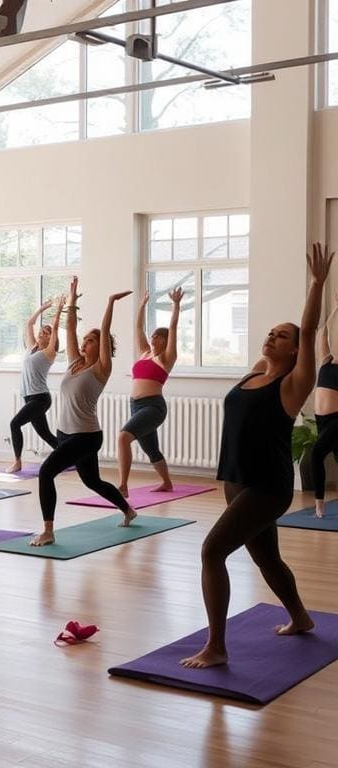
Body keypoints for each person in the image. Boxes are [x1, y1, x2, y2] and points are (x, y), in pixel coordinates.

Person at [180, 243, 332, 669]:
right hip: (235, 479)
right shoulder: (254, 371)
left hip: (268, 485)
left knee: (211, 552)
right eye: (270, 331)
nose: (271, 337)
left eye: (281, 336)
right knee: (266, 557)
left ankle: (217, 647)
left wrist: (316, 285)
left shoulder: (292, 384)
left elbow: (308, 327)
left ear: (295, 351)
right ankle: (300, 618)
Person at [31, 279, 137, 547]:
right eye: (86, 340)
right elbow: (70, 327)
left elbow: (104, 328)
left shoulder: (101, 369)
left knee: (45, 473)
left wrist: (110, 303)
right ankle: (128, 510)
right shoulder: (75, 362)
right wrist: (71, 301)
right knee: (92, 482)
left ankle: (48, 530)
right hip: (65, 434)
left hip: (86, 436)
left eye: (90, 341)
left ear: (100, 347)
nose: (85, 342)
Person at [117, 287, 183, 496]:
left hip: (153, 406)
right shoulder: (145, 353)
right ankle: (167, 483)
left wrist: (176, 306)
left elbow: (173, 327)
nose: (154, 338)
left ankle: (123, 485)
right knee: (151, 450)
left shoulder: (166, 358)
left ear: (165, 341)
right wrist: (142, 306)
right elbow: (137, 330)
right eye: (153, 335)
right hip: (135, 406)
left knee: (123, 437)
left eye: (158, 337)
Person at [6, 299, 61, 474]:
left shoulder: (49, 353)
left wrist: (58, 313)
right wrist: (43, 308)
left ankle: (17, 462)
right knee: (45, 434)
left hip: (40, 398)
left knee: (15, 424)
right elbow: (29, 323)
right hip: (29, 397)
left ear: (51, 338)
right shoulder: (32, 348)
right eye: (42, 331)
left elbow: (56, 329)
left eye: (46, 333)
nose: (41, 334)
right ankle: (72, 456)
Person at [311, 295, 338, 517]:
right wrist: (336, 308)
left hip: (337, 419)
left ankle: (319, 503)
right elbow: (323, 332)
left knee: (317, 453)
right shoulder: (326, 361)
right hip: (322, 419)